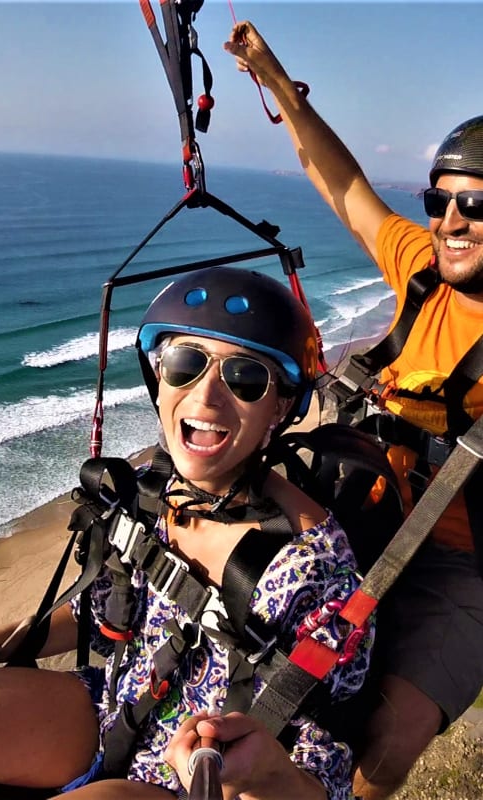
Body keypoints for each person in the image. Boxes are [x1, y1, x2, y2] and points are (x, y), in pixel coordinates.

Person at [0, 266, 374, 800]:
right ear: (158, 378)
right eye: (185, 365)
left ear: (281, 406)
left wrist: (266, 773)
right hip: (110, 706)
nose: (205, 399)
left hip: (196, 776)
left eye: (245, 378)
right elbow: (98, 614)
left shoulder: (317, 569)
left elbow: (325, 769)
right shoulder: (148, 493)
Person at [224, 22, 483, 800]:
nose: (449, 220)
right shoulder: (420, 269)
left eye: (474, 202)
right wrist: (274, 80)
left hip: (455, 558)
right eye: (439, 200)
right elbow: (344, 185)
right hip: (356, 516)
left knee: (390, 733)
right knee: (259, 670)